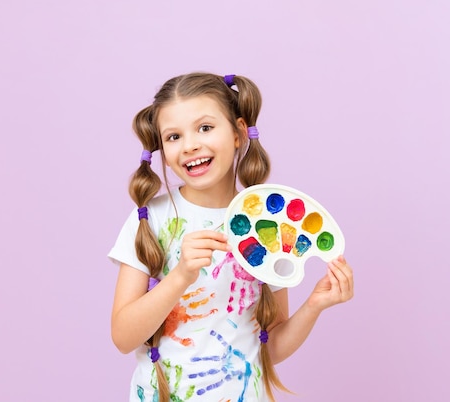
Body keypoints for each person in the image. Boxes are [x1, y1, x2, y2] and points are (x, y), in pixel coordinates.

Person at [108, 72, 354, 402]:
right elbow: (124, 337)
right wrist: (180, 276)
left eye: (205, 128)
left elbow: (271, 348)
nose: (191, 144)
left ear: (238, 133)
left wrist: (314, 305)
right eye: (173, 136)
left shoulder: (264, 223)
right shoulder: (152, 219)